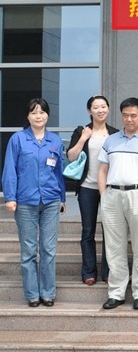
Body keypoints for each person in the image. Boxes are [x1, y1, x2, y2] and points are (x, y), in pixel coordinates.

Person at [2, 98, 66, 307]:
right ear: (28, 116)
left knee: (48, 249)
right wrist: (10, 197)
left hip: (51, 200)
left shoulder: (55, 141)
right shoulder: (18, 139)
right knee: (29, 250)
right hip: (25, 201)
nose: (38, 116)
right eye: (34, 112)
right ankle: (32, 294)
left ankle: (47, 293)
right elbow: (10, 169)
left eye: (42, 112)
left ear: (48, 115)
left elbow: (58, 172)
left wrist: (62, 198)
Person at [98, 97, 138, 310]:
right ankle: (116, 292)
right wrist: (104, 195)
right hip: (112, 196)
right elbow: (102, 170)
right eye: (125, 115)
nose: (129, 119)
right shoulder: (111, 140)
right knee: (114, 247)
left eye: (133, 115)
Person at [67, 95, 119, 285]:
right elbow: (71, 156)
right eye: (96, 107)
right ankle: (88, 272)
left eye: (103, 106)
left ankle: (108, 271)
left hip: (109, 189)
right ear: (89, 110)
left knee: (110, 231)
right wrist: (83, 138)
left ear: (108, 108)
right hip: (87, 188)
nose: (100, 110)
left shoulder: (115, 134)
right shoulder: (82, 131)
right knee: (88, 231)